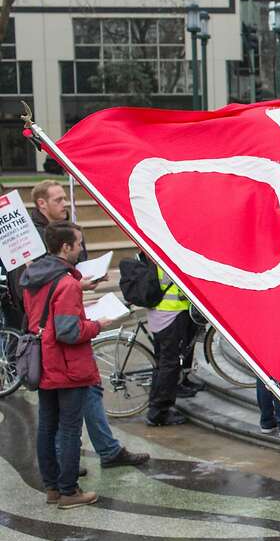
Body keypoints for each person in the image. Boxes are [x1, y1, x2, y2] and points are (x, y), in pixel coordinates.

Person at [24, 180, 148, 467]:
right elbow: (56, 305)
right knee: (64, 421)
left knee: (79, 399)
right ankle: (65, 474)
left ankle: (97, 454)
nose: (64, 204)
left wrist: (82, 285)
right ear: (41, 204)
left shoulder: (61, 238)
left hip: (57, 334)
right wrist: (96, 323)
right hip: (57, 343)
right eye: (57, 200)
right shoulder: (36, 240)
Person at [21, 222, 114, 509]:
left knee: (47, 425)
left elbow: (47, 314)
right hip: (66, 366)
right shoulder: (67, 284)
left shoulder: (35, 276)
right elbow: (69, 332)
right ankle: (69, 491)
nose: (81, 249)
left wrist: (79, 294)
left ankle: (52, 488)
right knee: (70, 428)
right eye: (79, 244)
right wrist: (97, 324)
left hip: (44, 362)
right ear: (65, 247)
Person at [145, 260, 197, 426]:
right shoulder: (167, 255)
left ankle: (156, 406)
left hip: (159, 315)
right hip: (170, 314)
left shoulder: (154, 254)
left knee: (162, 363)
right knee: (170, 364)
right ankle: (158, 412)